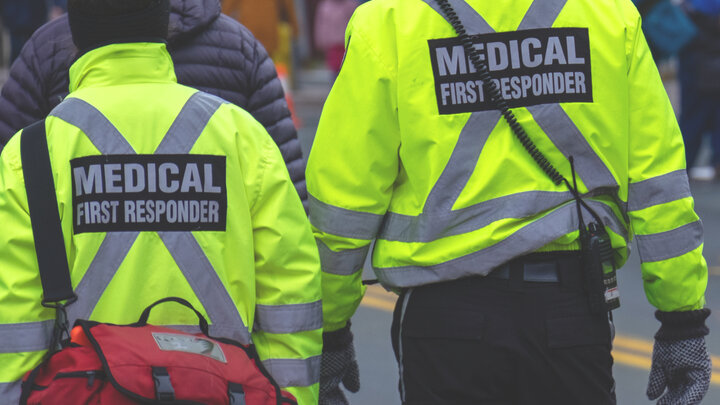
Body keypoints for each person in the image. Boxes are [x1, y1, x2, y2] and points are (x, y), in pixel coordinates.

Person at [307, 0, 711, 404]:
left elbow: (344, 202)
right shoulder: (608, 14)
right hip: (569, 312)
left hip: (445, 321)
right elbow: (659, 186)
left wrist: (328, 329)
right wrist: (682, 320)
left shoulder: (390, 20)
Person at [0, 0, 322, 403]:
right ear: (161, 27)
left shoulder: (30, 152)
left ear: (75, 35)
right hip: (224, 391)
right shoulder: (244, 137)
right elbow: (289, 287)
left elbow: (14, 319)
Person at [0, 0, 308, 211]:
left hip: (69, 297)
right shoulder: (241, 48)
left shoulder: (49, 48)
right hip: (225, 298)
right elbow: (285, 195)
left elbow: (10, 181)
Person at [678, 0, 720, 178]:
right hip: (710, 63)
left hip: (694, 67)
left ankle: (681, 168)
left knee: (691, 121)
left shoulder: (689, 10)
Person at [313, 0, 358, 79]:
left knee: (349, 70)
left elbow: (356, 23)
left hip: (347, 45)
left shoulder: (350, 5)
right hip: (332, 45)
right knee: (334, 72)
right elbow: (321, 26)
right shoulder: (325, 6)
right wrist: (321, 41)